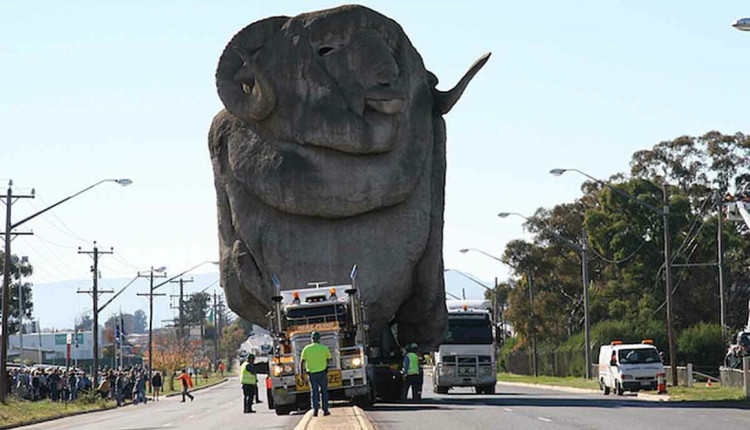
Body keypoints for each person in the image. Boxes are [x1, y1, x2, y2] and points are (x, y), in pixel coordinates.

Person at [300, 331, 332, 417]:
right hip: (322, 373)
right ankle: (325, 410)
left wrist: (301, 373)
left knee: (314, 392)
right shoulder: (324, 348)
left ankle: (315, 410)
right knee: (324, 391)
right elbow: (329, 359)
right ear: (319, 339)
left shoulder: (306, 349)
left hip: (312, 374)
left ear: (312, 339)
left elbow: (302, 361)